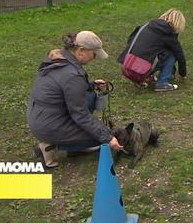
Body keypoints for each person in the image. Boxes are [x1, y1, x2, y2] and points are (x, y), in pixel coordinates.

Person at [27, 31, 123, 168]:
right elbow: (80, 115)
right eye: (94, 54)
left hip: (39, 115)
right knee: (99, 136)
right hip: (48, 125)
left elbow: (66, 89)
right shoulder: (72, 75)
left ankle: (73, 146)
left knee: (89, 95)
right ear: (81, 51)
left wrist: (91, 85)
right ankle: (49, 146)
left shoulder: (59, 59)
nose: (94, 57)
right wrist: (108, 137)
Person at [117, 9, 187, 92]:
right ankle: (162, 82)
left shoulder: (147, 25)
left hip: (127, 66)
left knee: (153, 50)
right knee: (172, 53)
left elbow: (130, 40)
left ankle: (145, 78)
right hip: (139, 71)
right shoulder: (168, 34)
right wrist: (183, 73)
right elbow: (180, 55)